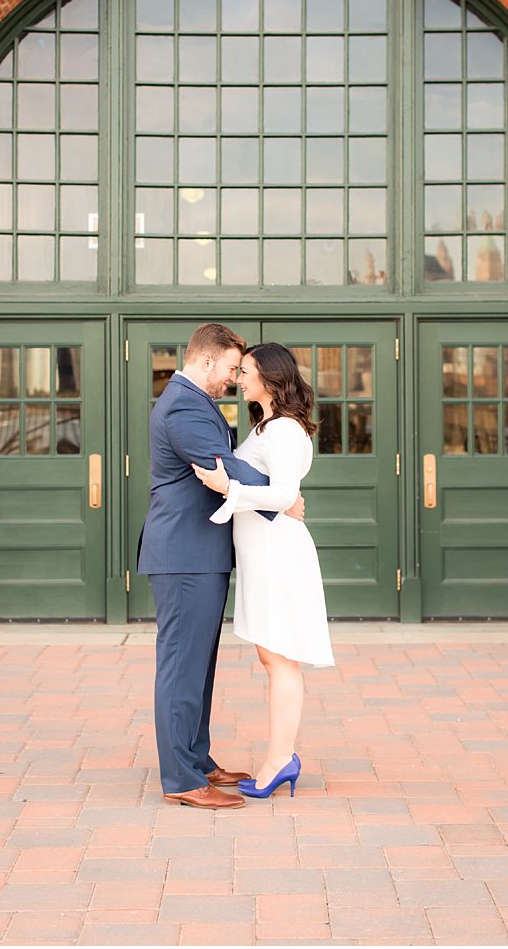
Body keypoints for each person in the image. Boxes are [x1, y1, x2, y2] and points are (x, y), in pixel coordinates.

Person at [139, 323, 281, 809]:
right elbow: (220, 466)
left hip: (199, 554)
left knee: (198, 665)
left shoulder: (195, 401)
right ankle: (181, 779)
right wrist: (280, 494)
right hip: (184, 556)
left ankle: (197, 759)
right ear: (205, 361)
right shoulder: (181, 403)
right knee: (181, 666)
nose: (232, 378)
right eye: (229, 368)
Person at [192, 342, 334, 799]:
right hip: (261, 554)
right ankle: (280, 758)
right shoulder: (265, 427)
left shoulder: (287, 431)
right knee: (272, 657)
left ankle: (280, 760)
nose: (239, 378)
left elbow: (282, 495)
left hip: (279, 554)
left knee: (280, 658)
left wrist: (226, 485)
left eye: (247, 370)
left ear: (271, 378)